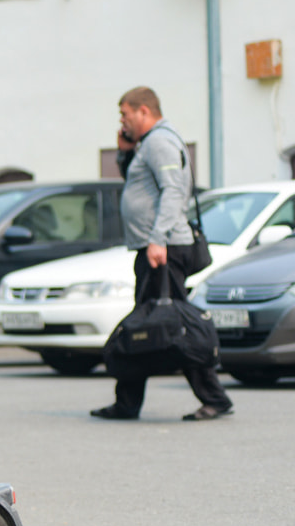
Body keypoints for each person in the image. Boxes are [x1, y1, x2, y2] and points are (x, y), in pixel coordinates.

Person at [90, 86, 233, 422]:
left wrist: (157, 239)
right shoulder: (146, 144)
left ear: (144, 111)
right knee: (149, 324)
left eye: (125, 114)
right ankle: (127, 402)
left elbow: (174, 191)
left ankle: (213, 397)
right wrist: (125, 153)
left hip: (163, 249)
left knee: (172, 325)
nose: (122, 121)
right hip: (157, 248)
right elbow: (141, 185)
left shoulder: (160, 141)